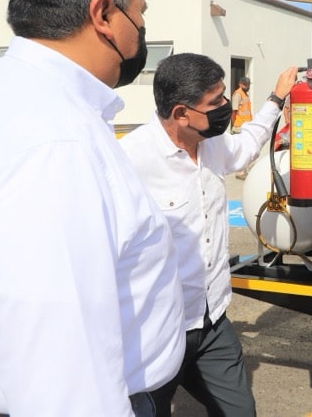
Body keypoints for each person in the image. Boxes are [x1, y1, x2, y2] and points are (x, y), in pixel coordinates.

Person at [0, 0, 185, 416]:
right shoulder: (55, 141)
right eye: (140, 14)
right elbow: (59, 370)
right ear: (104, 14)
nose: (141, 31)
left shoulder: (0, 93)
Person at [120, 53, 297, 416]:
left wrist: (277, 98)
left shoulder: (211, 143)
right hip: (156, 332)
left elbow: (247, 144)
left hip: (211, 320)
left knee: (239, 411)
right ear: (181, 113)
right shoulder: (129, 160)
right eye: (215, 102)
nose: (226, 108)